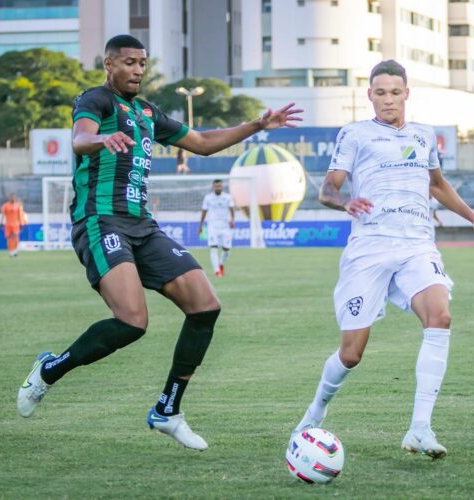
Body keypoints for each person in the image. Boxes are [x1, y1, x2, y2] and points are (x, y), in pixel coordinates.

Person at [16, 34, 301, 450]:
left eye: (142, 64)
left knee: (205, 306)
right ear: (109, 64)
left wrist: (256, 125)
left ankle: (167, 409)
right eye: (129, 62)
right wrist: (101, 140)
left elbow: (201, 144)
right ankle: (50, 369)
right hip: (99, 221)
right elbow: (80, 138)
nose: (137, 70)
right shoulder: (95, 100)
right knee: (133, 322)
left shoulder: (148, 112)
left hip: (142, 226)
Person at [290, 60, 474, 459]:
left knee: (440, 316)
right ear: (369, 95)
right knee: (351, 353)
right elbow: (327, 189)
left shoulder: (424, 137)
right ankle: (313, 413)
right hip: (370, 249)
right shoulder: (354, 134)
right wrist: (344, 201)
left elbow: (437, 185)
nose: (387, 99)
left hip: (417, 246)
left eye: (394, 91)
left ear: (407, 93)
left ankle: (420, 429)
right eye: (379, 92)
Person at [198, 179, 235, 277]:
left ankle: (221, 263)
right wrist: (200, 225)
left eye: (220, 186)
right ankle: (217, 271)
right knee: (213, 248)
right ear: (213, 187)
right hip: (212, 227)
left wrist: (232, 220)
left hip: (225, 226)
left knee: (227, 249)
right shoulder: (208, 198)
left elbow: (231, 209)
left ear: (222, 187)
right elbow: (204, 211)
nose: (218, 188)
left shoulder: (227, 197)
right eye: (216, 186)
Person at [0, 193, 26, 257]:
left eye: (13, 197)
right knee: (9, 238)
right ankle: (11, 251)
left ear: (15, 198)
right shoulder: (5, 205)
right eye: (11, 197)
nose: (12, 198)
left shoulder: (18, 205)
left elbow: (20, 215)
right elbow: (3, 215)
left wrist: (21, 224)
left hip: (16, 224)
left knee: (16, 237)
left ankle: (15, 250)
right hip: (8, 224)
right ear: (9, 198)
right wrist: (1, 223)